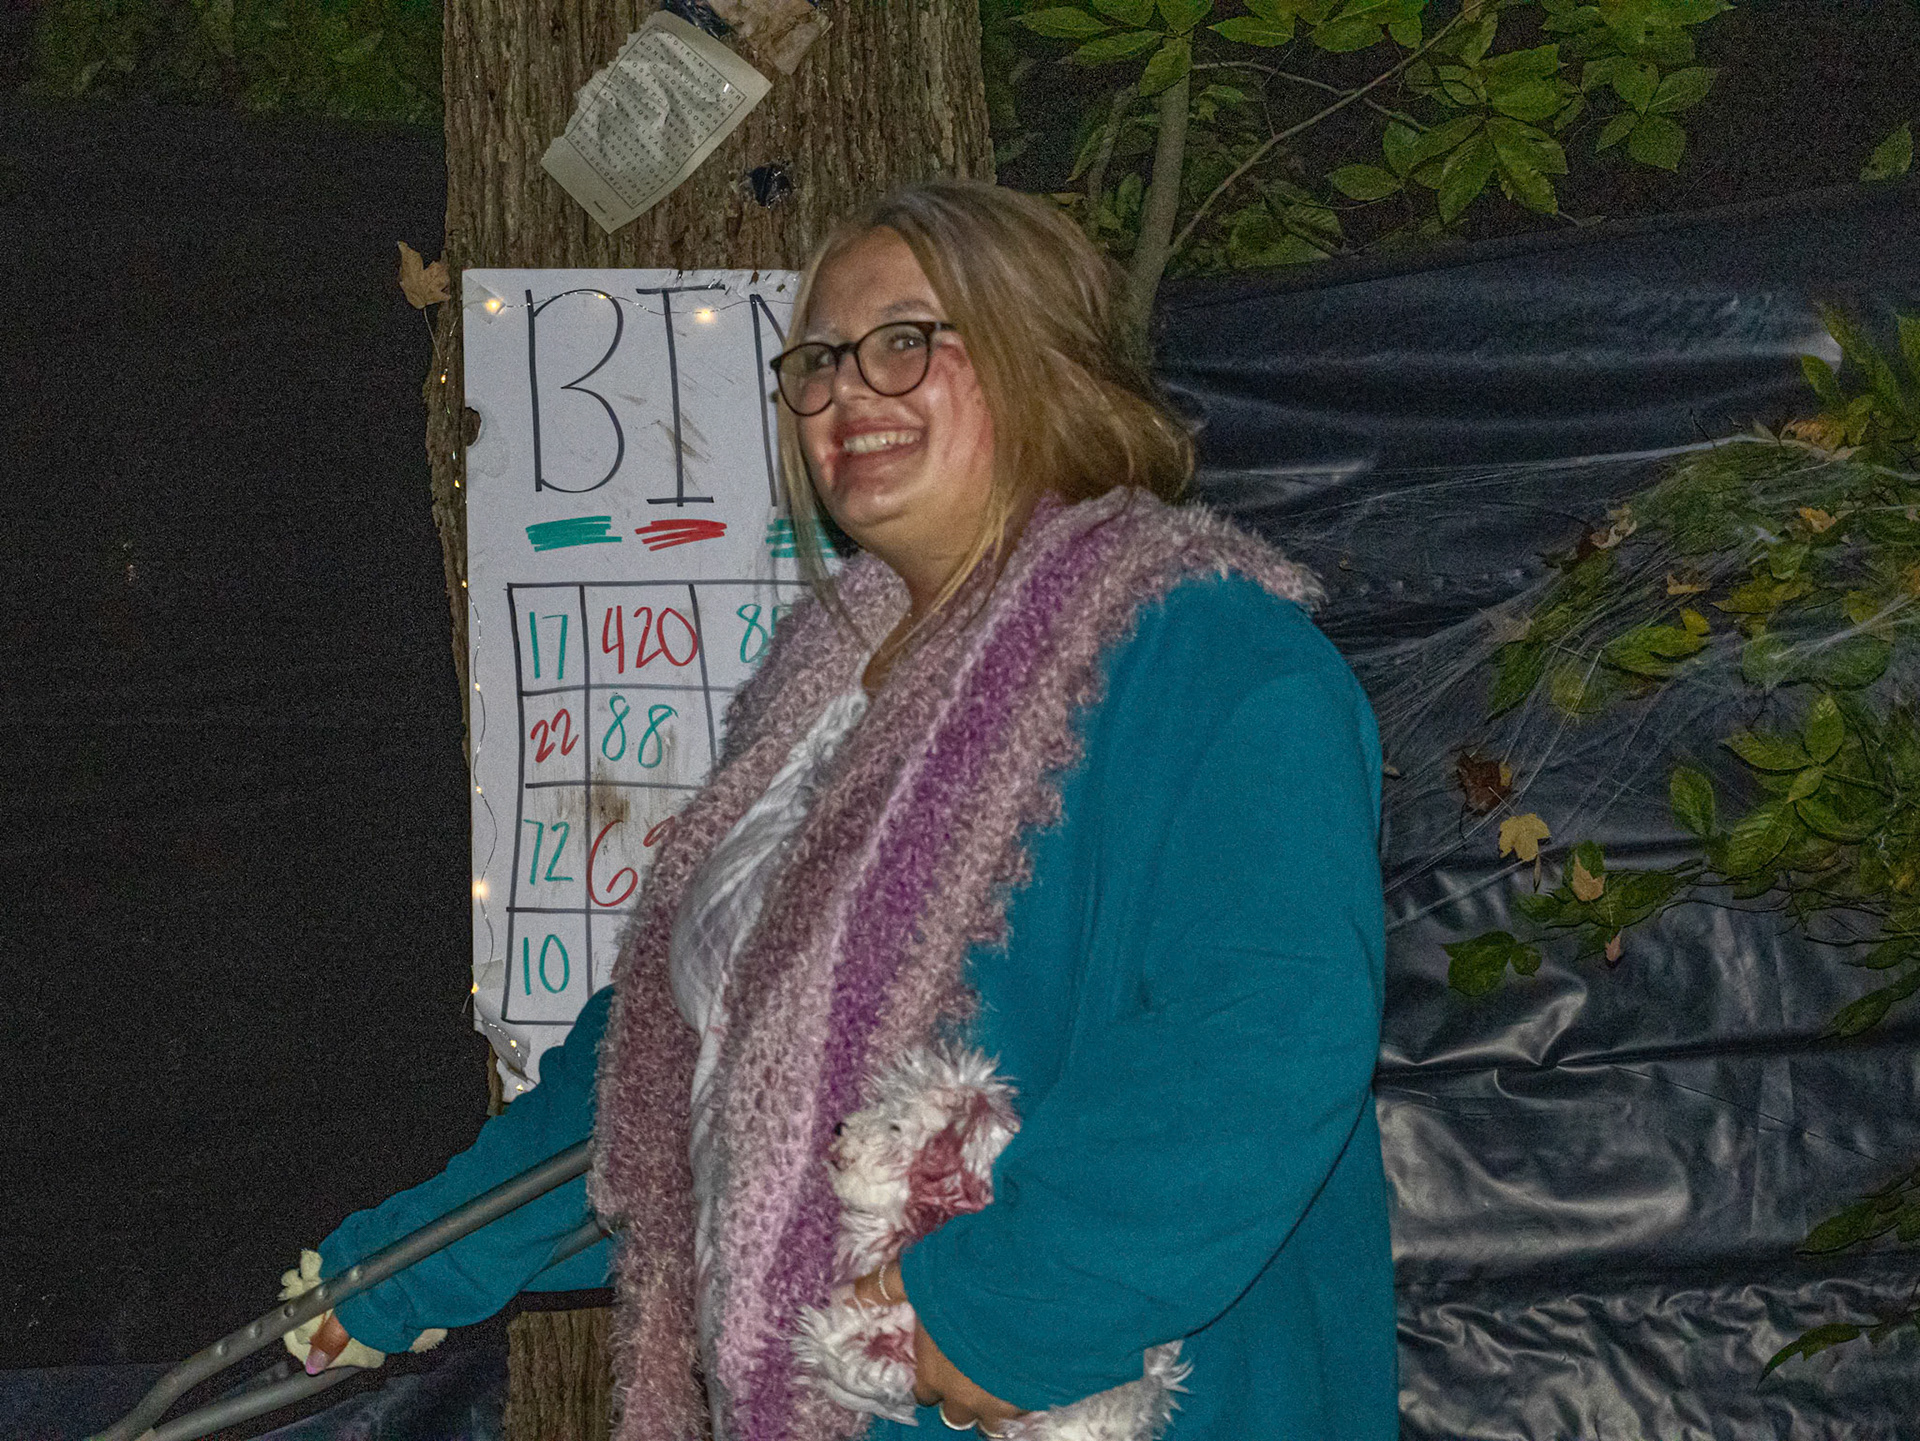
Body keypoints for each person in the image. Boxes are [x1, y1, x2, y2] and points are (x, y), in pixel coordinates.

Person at [291, 179, 1395, 1441]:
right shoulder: (817, 703)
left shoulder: (1209, 655)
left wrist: (1004, 1313)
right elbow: (665, 1071)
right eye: (816, 361)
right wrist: (399, 1272)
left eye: (906, 342)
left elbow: (1262, 1026)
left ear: (1046, 358)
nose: (846, 391)